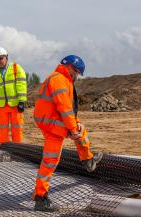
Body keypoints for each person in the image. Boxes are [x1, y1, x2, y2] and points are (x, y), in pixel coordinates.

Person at [32, 55, 103, 212]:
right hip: (53, 126)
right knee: (50, 161)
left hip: (54, 122)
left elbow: (69, 109)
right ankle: (40, 199)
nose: (76, 76)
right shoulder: (59, 80)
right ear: (69, 67)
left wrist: (75, 126)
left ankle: (88, 160)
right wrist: (72, 129)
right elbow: (64, 108)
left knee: (81, 132)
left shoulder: (63, 79)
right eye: (76, 72)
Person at [0, 47, 27, 148]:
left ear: (6, 57)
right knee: (2, 130)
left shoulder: (16, 68)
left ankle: (18, 150)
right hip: (1, 106)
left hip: (15, 105)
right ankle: (3, 149)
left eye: (1, 58)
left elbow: (21, 84)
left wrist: (21, 101)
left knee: (16, 129)